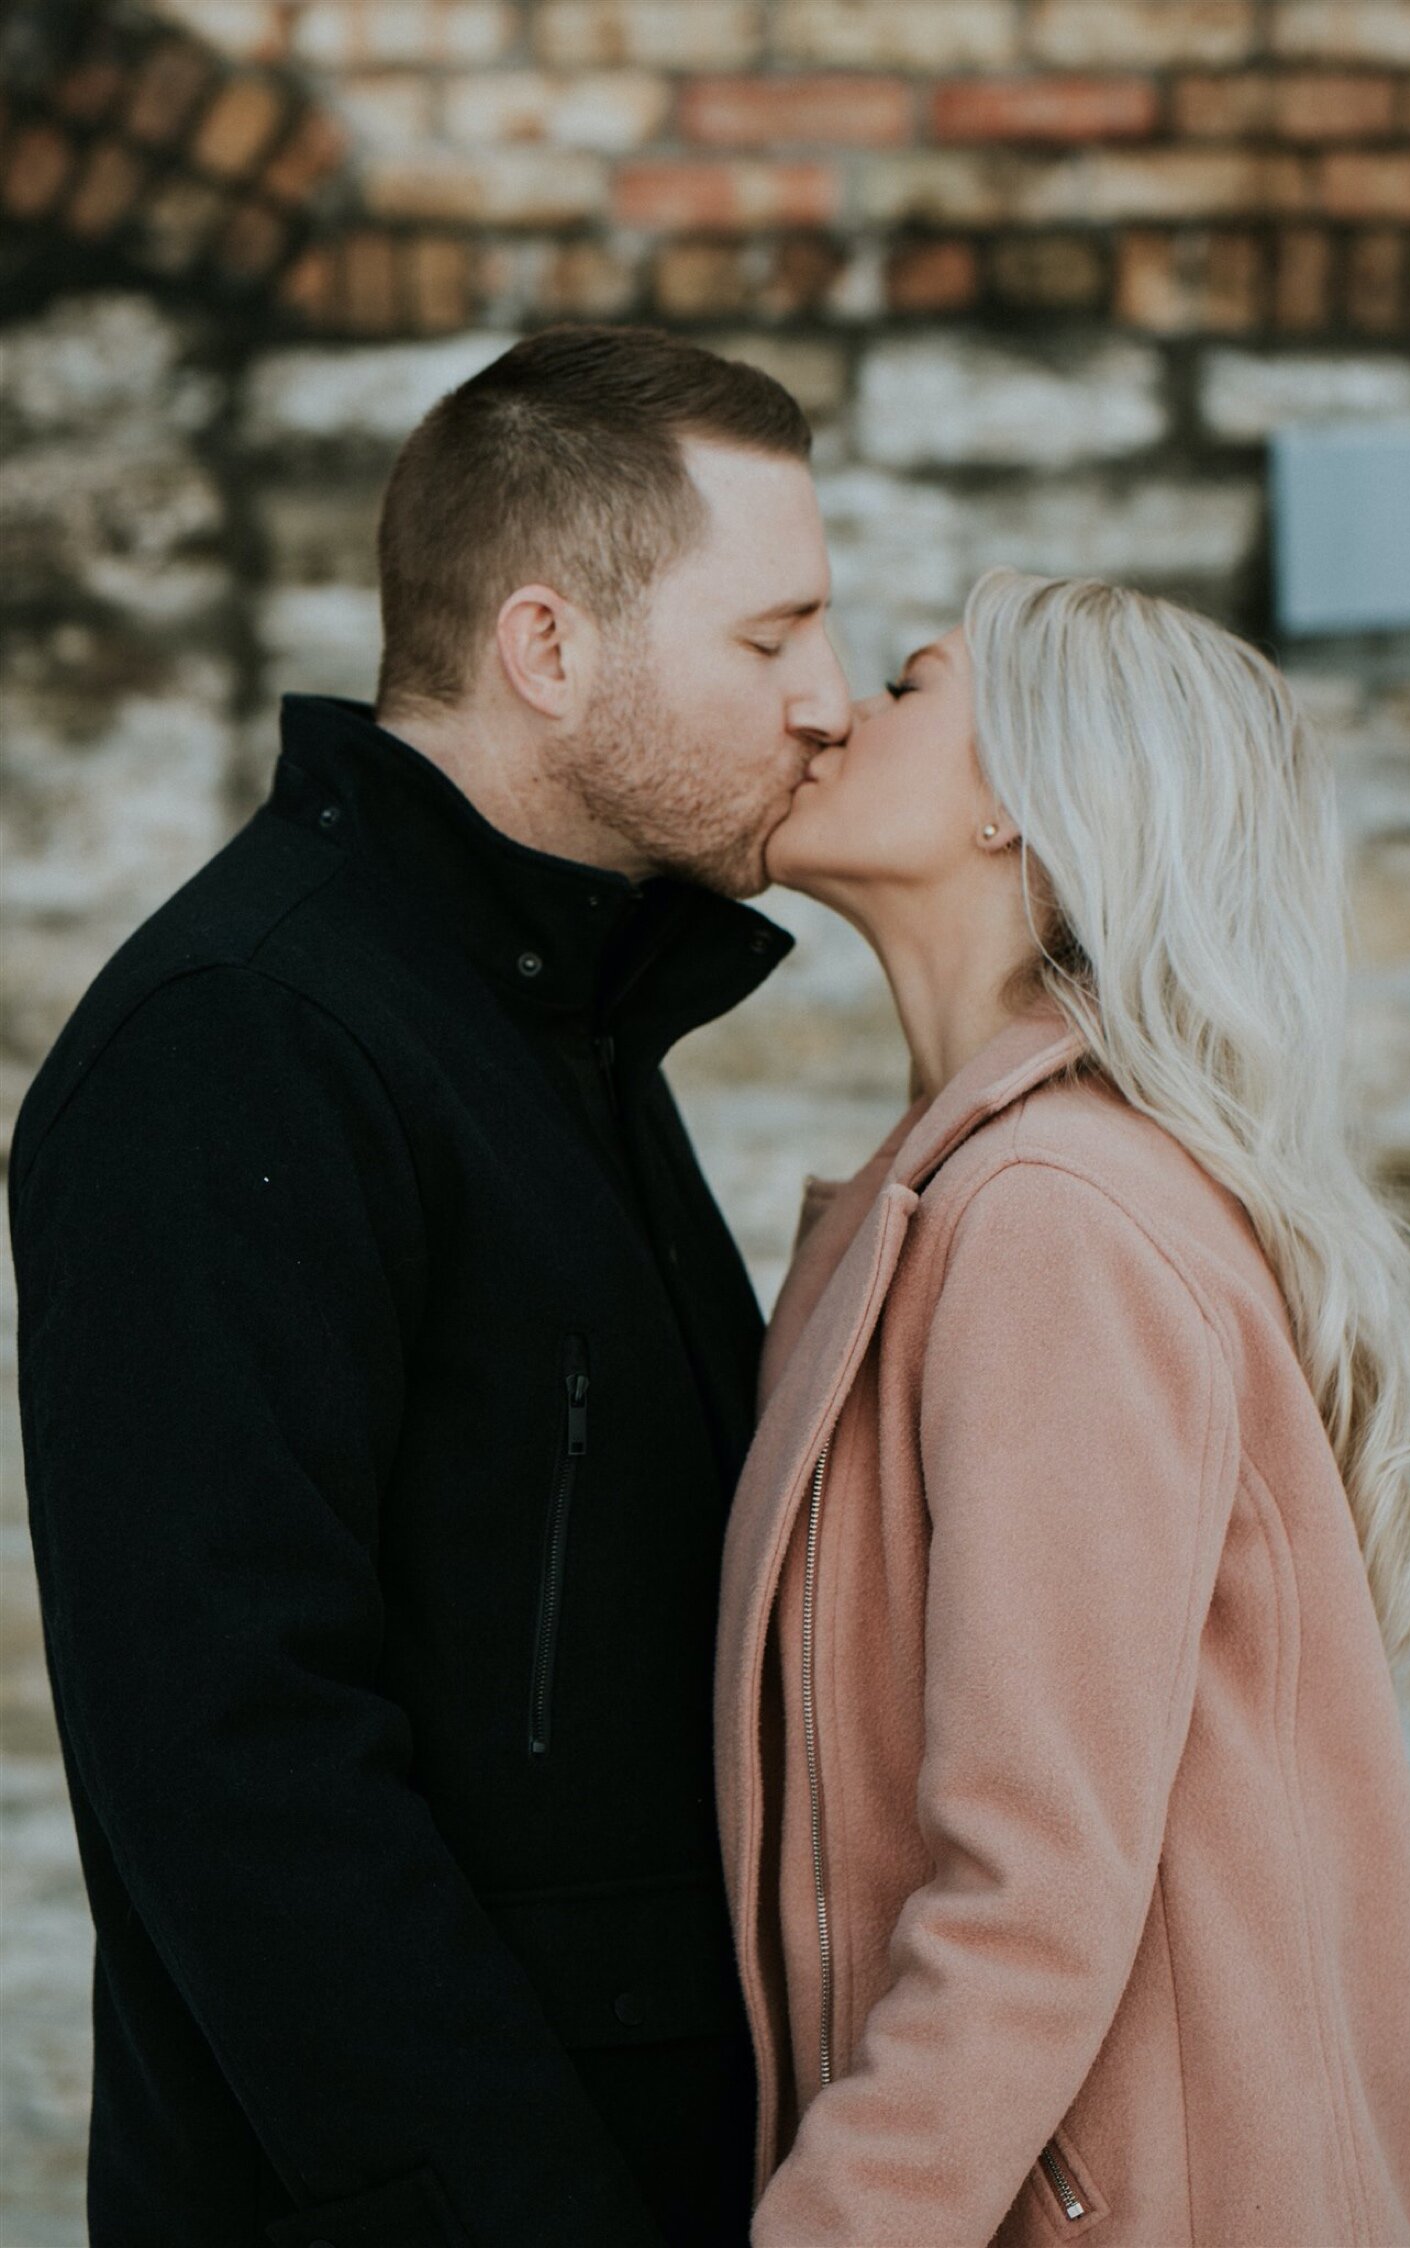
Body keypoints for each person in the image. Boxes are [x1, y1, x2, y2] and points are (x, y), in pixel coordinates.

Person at [10, 325, 851, 2247]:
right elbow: (240, 1764)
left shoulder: (560, 1016)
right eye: (768, 635)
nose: (824, 703)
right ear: (548, 650)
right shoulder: (247, 1040)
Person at [716, 569, 1410, 2245]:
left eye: (913, 685)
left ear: (1018, 807)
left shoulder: (1054, 1217)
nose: (835, 708)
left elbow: (1030, 1892)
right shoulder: (970, 1199)